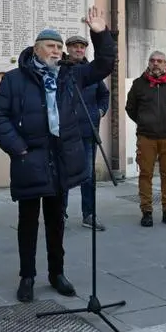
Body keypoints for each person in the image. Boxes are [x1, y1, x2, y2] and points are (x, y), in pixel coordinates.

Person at [0, 6, 115, 303]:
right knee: (28, 222)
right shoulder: (14, 79)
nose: (57, 51)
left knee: (57, 220)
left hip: (61, 160)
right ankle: (27, 276)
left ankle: (56, 273)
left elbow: (104, 65)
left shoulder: (70, 76)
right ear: (36, 49)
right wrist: (18, 147)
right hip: (29, 159)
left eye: (60, 47)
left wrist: (101, 34)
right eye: (51, 45)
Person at [125, 50, 166, 228]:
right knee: (145, 174)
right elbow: (130, 108)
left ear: (165, 64)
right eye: (152, 60)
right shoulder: (139, 84)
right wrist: (144, 121)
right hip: (146, 137)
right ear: (149, 63)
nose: (156, 63)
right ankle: (146, 212)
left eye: (160, 61)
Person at [61, 35, 110, 231]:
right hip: (66, 134)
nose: (78, 50)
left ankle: (88, 214)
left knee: (88, 176)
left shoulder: (92, 73)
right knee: (63, 175)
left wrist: (99, 111)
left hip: (88, 132)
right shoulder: (61, 71)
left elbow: (104, 95)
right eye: (75, 47)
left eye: (82, 47)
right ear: (68, 49)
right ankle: (60, 213)